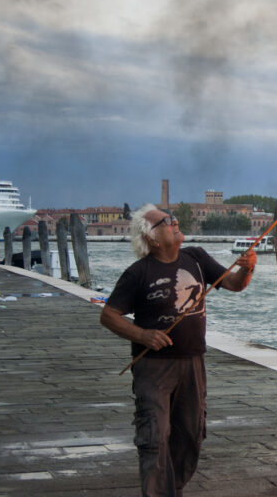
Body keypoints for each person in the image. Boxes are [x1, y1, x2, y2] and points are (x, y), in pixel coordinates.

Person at [100, 203, 257, 497]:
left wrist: (247, 267)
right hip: (154, 369)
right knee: (155, 437)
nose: (175, 222)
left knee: (190, 436)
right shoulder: (138, 273)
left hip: (193, 363)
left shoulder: (195, 258)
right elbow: (108, 315)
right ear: (152, 238)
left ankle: (173, 490)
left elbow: (234, 284)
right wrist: (143, 335)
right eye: (167, 221)